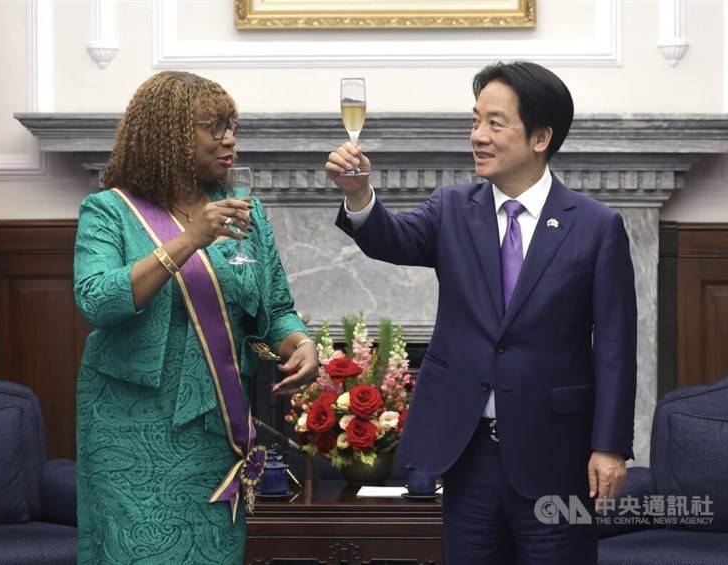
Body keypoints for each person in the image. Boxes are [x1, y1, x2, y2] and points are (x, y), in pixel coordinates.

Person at [325, 61, 637, 564]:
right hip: (468, 455)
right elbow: (391, 238)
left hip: (557, 456)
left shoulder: (596, 227)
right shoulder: (451, 208)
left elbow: (617, 349)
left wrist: (610, 446)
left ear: (540, 137)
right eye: (475, 122)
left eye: (495, 123)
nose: (478, 136)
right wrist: (359, 195)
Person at [74, 70, 318, 565]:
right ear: (168, 134)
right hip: (131, 431)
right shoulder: (108, 212)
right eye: (214, 126)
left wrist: (299, 343)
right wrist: (189, 239)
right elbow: (97, 301)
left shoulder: (245, 213)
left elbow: (275, 311)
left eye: (232, 125)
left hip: (214, 432)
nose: (229, 139)